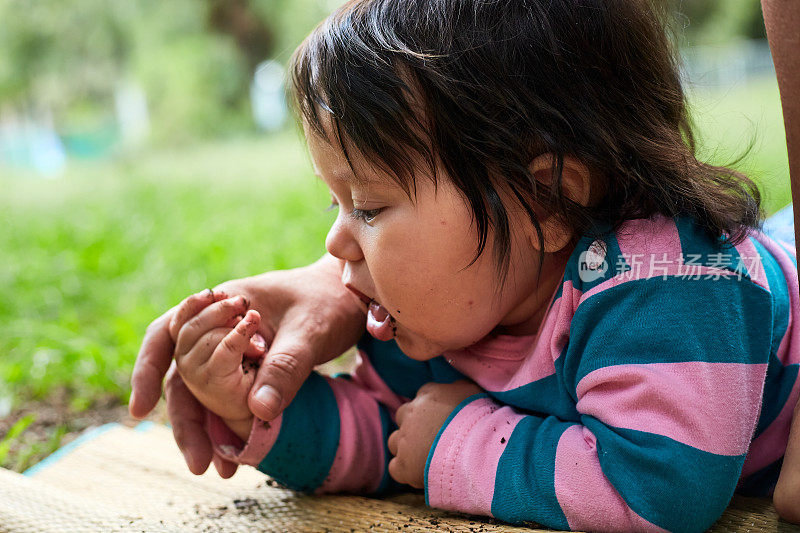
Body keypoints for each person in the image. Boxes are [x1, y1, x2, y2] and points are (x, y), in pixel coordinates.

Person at [131, 0, 800, 530]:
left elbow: (662, 488)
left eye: (367, 206)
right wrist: (254, 409)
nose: (334, 243)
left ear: (546, 200)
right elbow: (383, 435)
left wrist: (459, 443)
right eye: (336, 201)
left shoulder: (673, 286)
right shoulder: (451, 309)